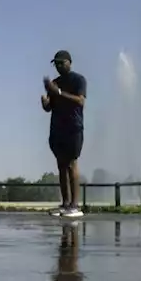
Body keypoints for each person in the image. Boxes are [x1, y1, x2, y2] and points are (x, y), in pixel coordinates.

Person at [41, 50, 87, 218]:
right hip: (57, 128)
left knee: (71, 164)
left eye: (62, 63)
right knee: (61, 165)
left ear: (69, 62)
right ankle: (65, 203)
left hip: (73, 127)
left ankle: (75, 205)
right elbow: (49, 108)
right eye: (56, 63)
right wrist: (45, 103)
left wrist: (58, 92)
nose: (59, 66)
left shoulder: (78, 80)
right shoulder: (54, 82)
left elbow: (80, 101)